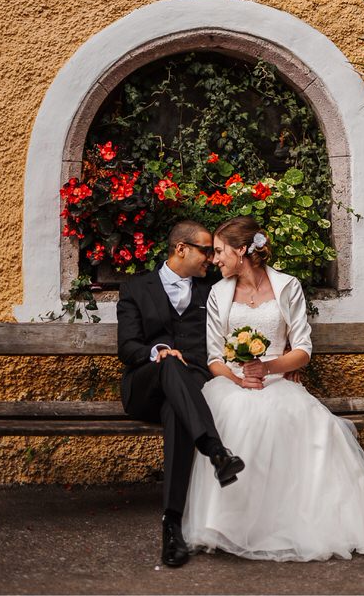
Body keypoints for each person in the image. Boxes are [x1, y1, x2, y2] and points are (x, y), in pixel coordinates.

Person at [182, 216, 364, 562]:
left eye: (220, 251)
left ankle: (288, 519)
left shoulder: (287, 287)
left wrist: (268, 368)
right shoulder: (219, 293)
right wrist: (239, 380)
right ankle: (229, 524)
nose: (214, 259)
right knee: (233, 413)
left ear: (242, 250)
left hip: (277, 381)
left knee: (305, 423)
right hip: (233, 384)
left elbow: (302, 350)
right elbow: (214, 357)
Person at [117, 219, 244, 568]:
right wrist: (158, 352)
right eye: (206, 250)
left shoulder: (212, 291)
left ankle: (172, 525)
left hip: (188, 393)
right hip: (145, 387)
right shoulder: (136, 288)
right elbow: (127, 347)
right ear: (181, 249)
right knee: (170, 363)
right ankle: (215, 450)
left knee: (178, 410)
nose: (211, 258)